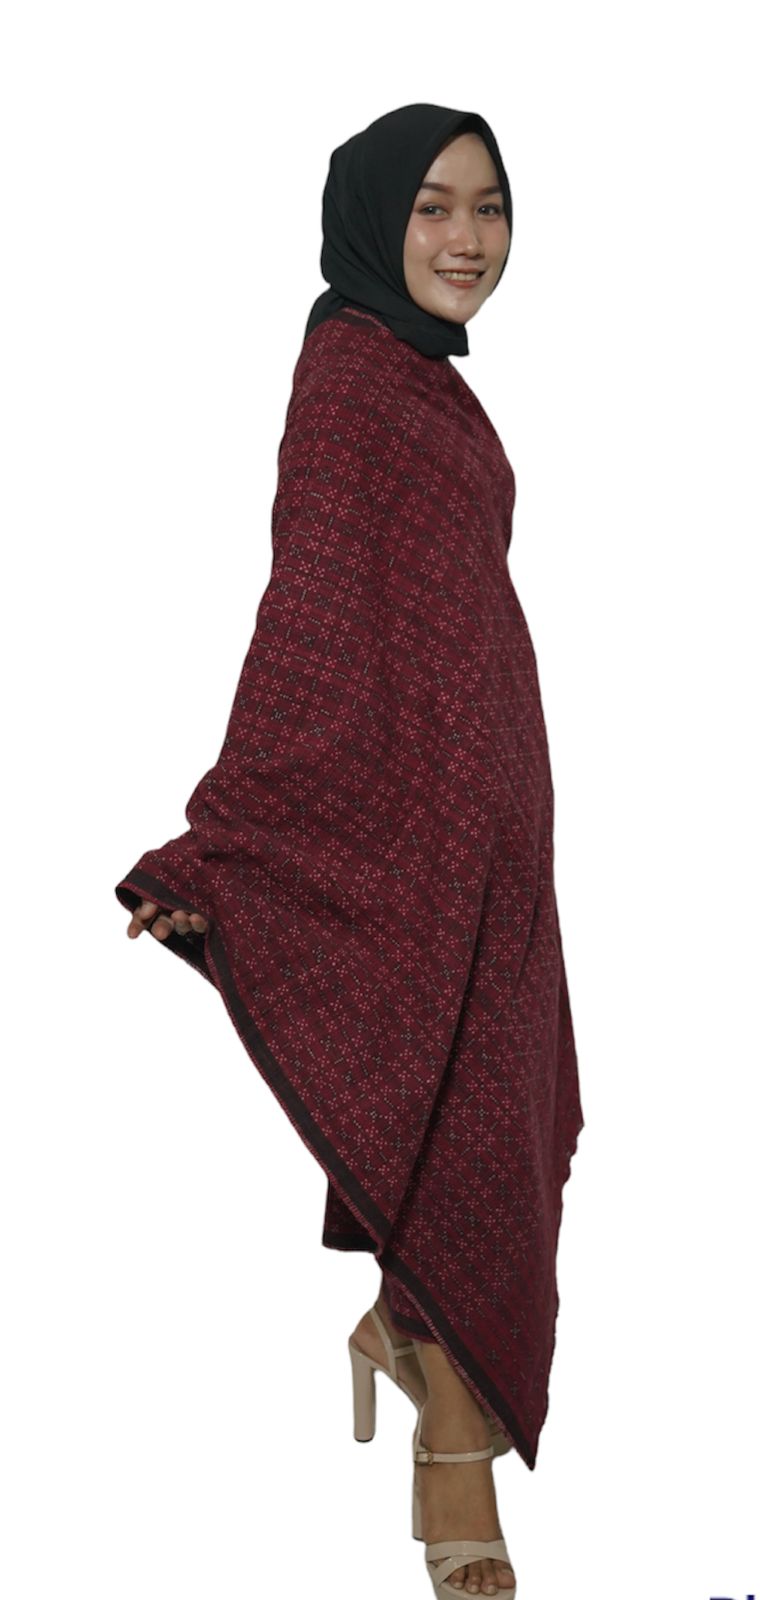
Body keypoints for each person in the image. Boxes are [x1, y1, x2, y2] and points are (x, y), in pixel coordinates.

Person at [116, 103, 585, 1598]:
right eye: (434, 206)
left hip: (497, 816)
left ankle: (403, 1327)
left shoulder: (429, 381)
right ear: (374, 216)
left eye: (490, 207)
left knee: (498, 1122)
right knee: (457, 1129)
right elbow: (309, 609)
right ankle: (457, 1465)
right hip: (412, 817)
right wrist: (232, 836)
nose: (467, 238)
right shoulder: (350, 379)